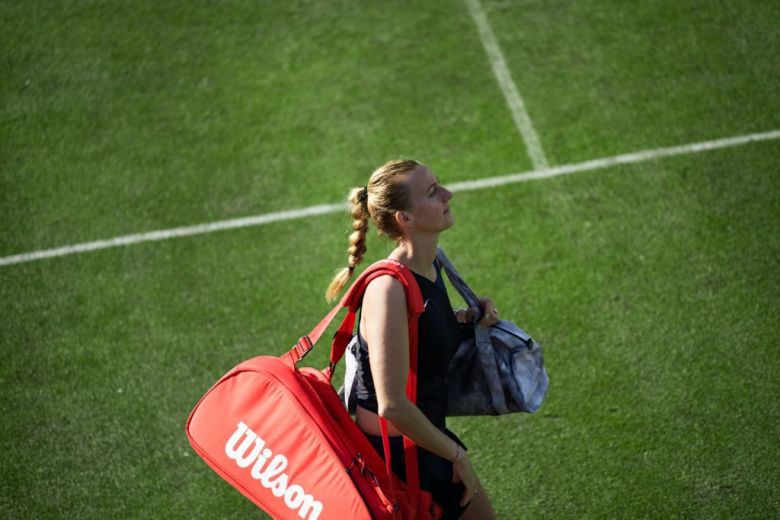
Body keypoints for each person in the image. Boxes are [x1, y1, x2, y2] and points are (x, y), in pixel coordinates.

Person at [326, 159, 498, 519]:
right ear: (405, 218)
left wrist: (465, 317)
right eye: (433, 192)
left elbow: (417, 330)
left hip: (425, 437)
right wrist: (457, 455)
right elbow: (392, 405)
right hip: (397, 458)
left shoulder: (430, 265)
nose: (448, 194)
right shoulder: (388, 289)